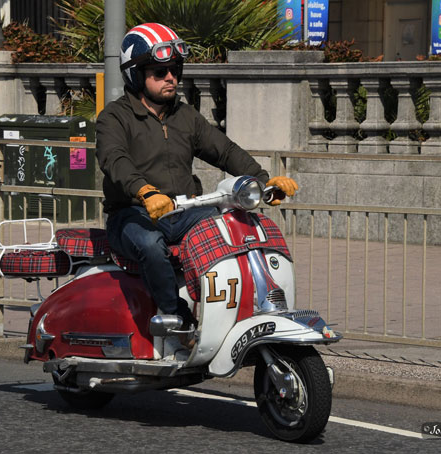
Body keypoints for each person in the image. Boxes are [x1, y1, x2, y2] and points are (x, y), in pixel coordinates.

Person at [95, 23, 298, 346]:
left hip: (183, 210)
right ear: (135, 75)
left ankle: (241, 312)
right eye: (159, 72)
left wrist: (263, 180)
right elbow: (114, 159)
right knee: (150, 245)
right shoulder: (114, 118)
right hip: (132, 214)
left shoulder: (185, 117)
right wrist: (144, 191)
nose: (170, 78)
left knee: (230, 229)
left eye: (174, 70)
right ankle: (176, 317)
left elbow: (225, 150)